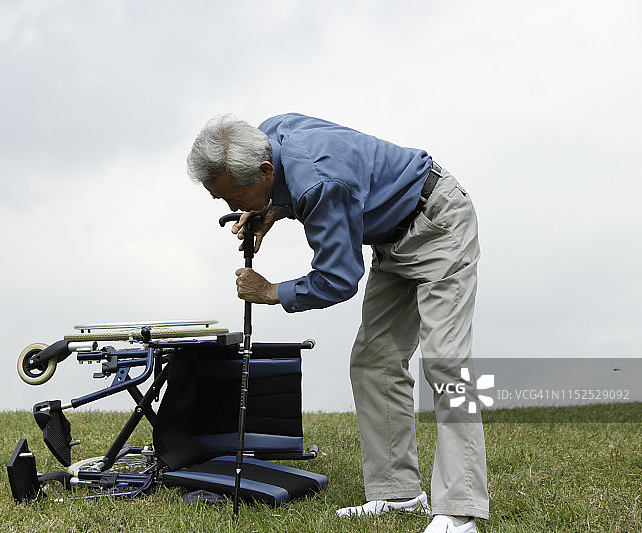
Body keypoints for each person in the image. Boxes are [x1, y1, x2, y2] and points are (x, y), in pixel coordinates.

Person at [187, 113, 488, 533]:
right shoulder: (266, 137)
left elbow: (338, 278)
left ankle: (460, 512)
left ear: (264, 171)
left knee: (446, 363)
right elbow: (295, 184)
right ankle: (398, 494)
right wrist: (272, 210)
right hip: (390, 237)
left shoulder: (319, 182)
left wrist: (270, 291)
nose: (232, 208)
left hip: (438, 223)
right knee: (374, 361)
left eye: (233, 197)